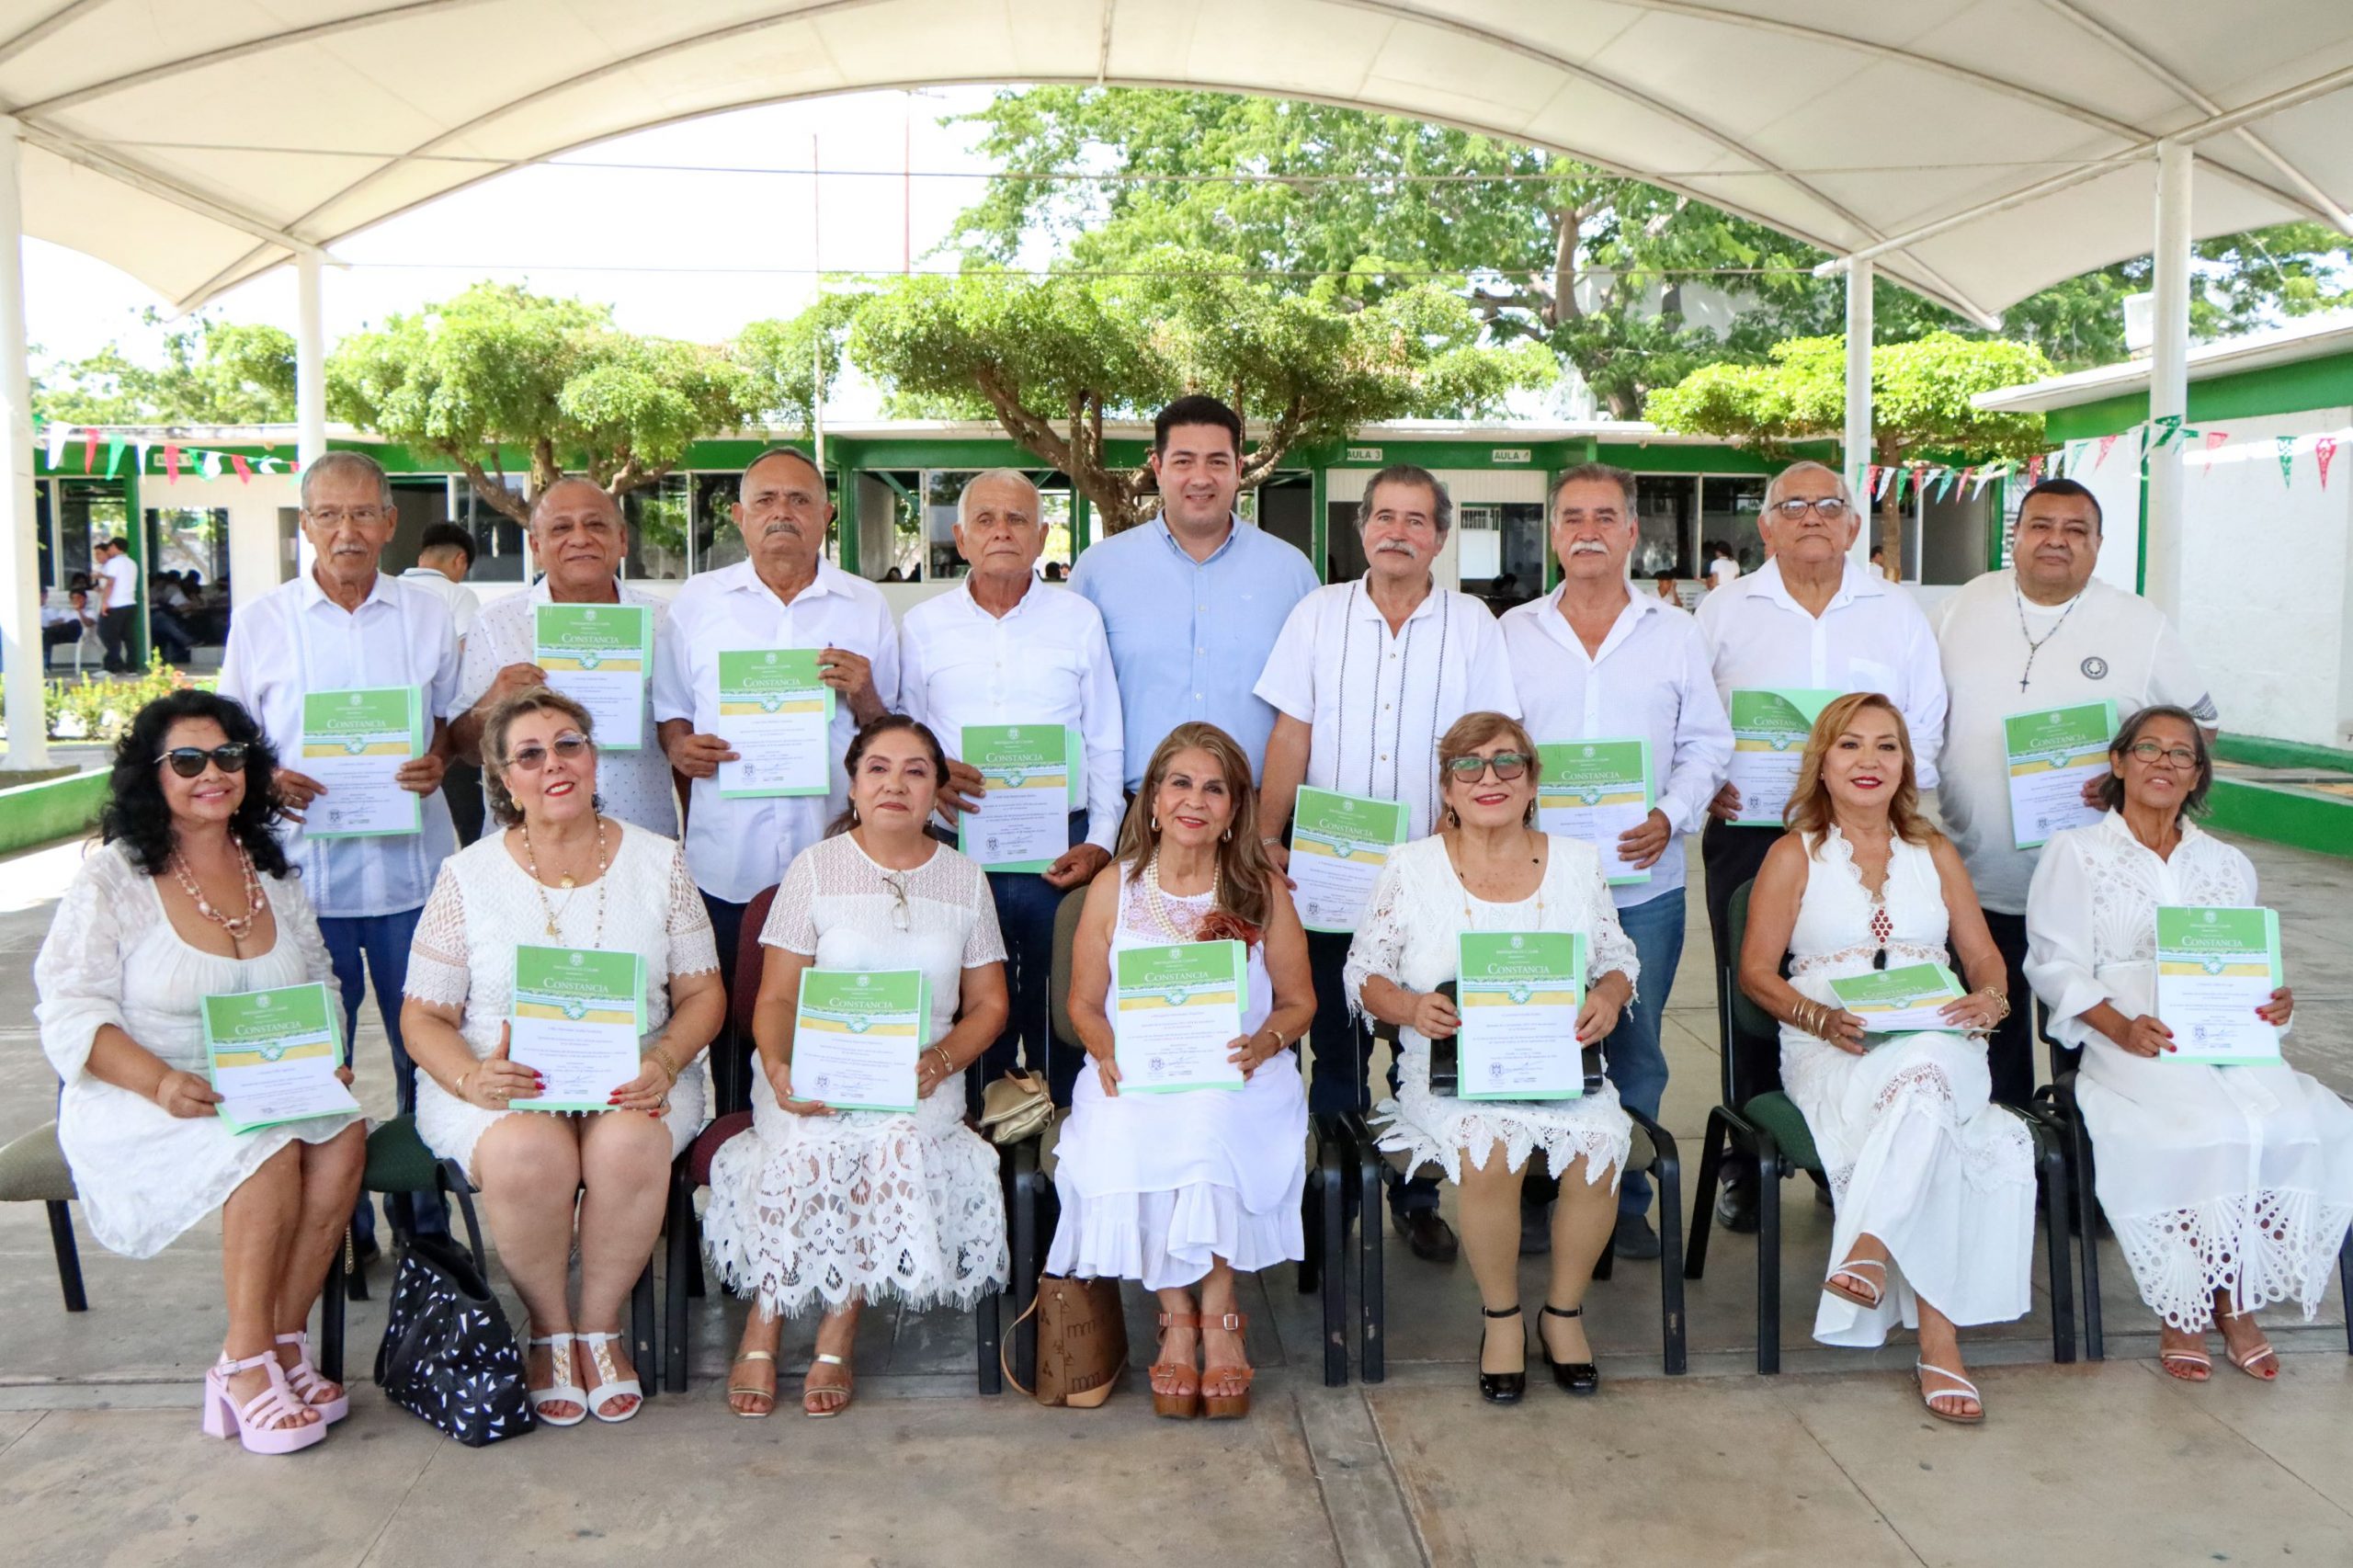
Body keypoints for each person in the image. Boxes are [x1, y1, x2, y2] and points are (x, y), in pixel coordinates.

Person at [33, 691, 365, 1454]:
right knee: (268, 1147)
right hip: (142, 1090)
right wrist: (157, 1081)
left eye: (229, 757)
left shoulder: (270, 871)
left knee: (344, 1137)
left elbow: (320, 980)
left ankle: (283, 1340)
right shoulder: (112, 879)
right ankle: (243, 1366)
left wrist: (326, 1054)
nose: (211, 774)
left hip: (262, 1079)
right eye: (187, 761)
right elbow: (71, 1008)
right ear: (152, 777)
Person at [401, 687, 722, 1425]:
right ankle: (550, 1327)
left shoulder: (659, 861)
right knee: (527, 1156)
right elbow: (424, 1015)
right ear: (503, 778)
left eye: (569, 744)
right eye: (531, 754)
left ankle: (601, 1327)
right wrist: (471, 1076)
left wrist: (668, 1060)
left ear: (594, 757)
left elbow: (704, 994)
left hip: (639, 1070)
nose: (555, 764)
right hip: (496, 1080)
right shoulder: (468, 876)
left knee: (631, 1146)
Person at [2025, 706, 2353, 1381]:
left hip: (2225, 1039)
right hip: (2131, 1040)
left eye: (2183, 754)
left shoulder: (2226, 862)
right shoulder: (2077, 852)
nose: (2165, 763)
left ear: (2198, 775)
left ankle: (2235, 1295)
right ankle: (2191, 1308)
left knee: (2301, 1120)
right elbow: (2052, 964)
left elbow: (2248, 965)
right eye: (2149, 748)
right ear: (2118, 763)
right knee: (2206, 1127)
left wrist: (2275, 999)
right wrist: (2118, 1024)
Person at [1737, 693, 2033, 1423]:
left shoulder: (1934, 853)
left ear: (1907, 764)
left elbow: (1986, 960)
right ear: (1824, 764)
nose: (1870, 761)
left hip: (1942, 1038)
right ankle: (1940, 1347)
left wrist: (1989, 1003)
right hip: (1835, 1046)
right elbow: (1756, 974)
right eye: (1851, 746)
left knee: (1930, 1071)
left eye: (1887, 746)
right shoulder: (1792, 854)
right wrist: (1818, 1016)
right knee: (1929, 1110)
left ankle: (1868, 1245)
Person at [705, 715, 1010, 1419]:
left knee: (887, 1144)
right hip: (816, 1064)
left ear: (939, 789)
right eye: (878, 768)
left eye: (915, 771)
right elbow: (777, 995)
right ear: (854, 782)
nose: (895, 784)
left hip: (918, 1074)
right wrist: (780, 1068)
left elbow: (989, 1006)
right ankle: (768, 1317)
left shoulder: (966, 880)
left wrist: (937, 1062)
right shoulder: (814, 868)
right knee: (811, 1137)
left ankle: (839, 1329)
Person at [1255, 464, 1519, 1263]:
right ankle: (1332, 1190)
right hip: (1328, 872)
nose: (1397, 531)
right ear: (1361, 529)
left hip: (1436, 872)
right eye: (1383, 517)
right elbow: (1291, 734)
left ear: (1440, 536)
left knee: (1425, 1036)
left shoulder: (1473, 623)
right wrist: (1268, 836)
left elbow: (1489, 740)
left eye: (1416, 519)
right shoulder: (1316, 615)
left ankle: (1416, 1192)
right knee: (1335, 1041)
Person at [1344, 712, 1637, 1401]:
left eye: (1508, 762)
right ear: (1446, 788)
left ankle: (1562, 1314)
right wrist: (1412, 1008)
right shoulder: (1410, 868)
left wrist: (1610, 995)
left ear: (1534, 779)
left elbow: (1617, 956)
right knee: (1491, 1151)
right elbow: (1363, 973)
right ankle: (1501, 1318)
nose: (1489, 778)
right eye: (1468, 765)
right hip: (1448, 1072)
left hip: (1559, 1063)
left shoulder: (1577, 863)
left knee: (1601, 1148)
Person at [217, 449, 463, 1251]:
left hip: (410, 883)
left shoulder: (431, 616)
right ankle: (337, 1225)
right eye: (328, 515)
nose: (347, 531)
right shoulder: (261, 622)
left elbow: (457, 726)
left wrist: (441, 759)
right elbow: (223, 741)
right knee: (317, 1063)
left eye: (364, 514)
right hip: (302, 885)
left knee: (423, 1055)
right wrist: (264, 778)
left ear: (391, 524)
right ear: (306, 526)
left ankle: (423, 1220)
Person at [1695, 460, 1948, 1231]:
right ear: (1766, 525)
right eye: (1792, 504)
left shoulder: (1895, 613)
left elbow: (1926, 723)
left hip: (1867, 835)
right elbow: (1691, 717)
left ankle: (1855, 1151)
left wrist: (1886, 793)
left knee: (1869, 974)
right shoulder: (1723, 612)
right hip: (1750, 833)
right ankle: (1751, 1156)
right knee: (1754, 991)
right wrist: (1702, 782)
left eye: (1828, 504)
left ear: (1851, 525)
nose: (1811, 515)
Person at [1049, 722, 1314, 1419]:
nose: (1195, 801)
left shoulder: (1262, 889)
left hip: (1239, 1073)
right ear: (1154, 800)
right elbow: (1083, 1000)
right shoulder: (1115, 886)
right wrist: (1104, 1048)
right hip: (1134, 1068)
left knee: (1206, 1127)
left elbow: (1299, 1001)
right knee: (1123, 1127)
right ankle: (1174, 1313)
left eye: (1214, 788)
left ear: (1234, 810)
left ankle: (1221, 1312)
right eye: (1180, 783)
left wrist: (1265, 1043)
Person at [1501, 464, 1732, 1260]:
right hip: (1531, 883)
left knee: (1634, 1043)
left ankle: (1626, 1199)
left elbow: (1708, 743)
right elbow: (1493, 746)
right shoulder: (1514, 632)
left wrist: (1672, 814)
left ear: (1633, 531)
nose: (1589, 529)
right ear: (1554, 532)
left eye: (1606, 515)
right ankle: (1539, 1190)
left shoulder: (1674, 634)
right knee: (1536, 1035)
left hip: (1645, 884)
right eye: (1572, 516)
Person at [1933, 478, 2218, 1108]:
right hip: (1979, 878)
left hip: (2094, 887)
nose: (2056, 541)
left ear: (2097, 544)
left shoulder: (2139, 623)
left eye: (2075, 530)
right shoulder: (1965, 605)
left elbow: (2200, 727)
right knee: (1988, 1043)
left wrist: (2128, 780)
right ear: (2016, 536)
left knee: (2089, 1050)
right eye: (2041, 525)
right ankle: (2006, 1165)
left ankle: (2079, 1181)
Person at [898, 469, 1122, 1103]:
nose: (1003, 531)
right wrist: (933, 773)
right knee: (970, 999)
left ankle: (1056, 1159)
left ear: (1043, 536)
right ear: (960, 537)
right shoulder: (923, 626)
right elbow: (907, 734)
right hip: (958, 848)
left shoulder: (1079, 620)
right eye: (987, 520)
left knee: (1059, 1007)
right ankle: (980, 1146)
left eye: (1018, 519)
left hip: (1061, 849)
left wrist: (1102, 840)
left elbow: (1106, 736)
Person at [654, 446, 896, 1010]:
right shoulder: (698, 601)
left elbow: (893, 734)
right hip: (728, 858)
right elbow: (670, 708)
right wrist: (679, 747)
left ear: (827, 514)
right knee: (728, 1016)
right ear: (740, 517)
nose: (782, 511)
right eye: (765, 499)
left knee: (835, 1012)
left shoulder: (865, 605)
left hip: (838, 851)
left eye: (799, 499)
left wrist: (863, 693)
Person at [1070, 395, 1317, 792]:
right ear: (1158, 467)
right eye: (1183, 461)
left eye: (1217, 462)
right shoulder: (1099, 571)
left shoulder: (1292, 573)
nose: (1200, 478)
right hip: (1131, 813)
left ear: (1238, 469)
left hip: (1255, 817)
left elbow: (1312, 706)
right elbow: (1070, 698)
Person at [454, 479, 677, 836]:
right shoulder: (496, 623)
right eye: (561, 527)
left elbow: (681, 730)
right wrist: (493, 701)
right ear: (536, 546)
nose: (580, 538)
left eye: (595, 524)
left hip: (639, 839)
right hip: (526, 845)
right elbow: (465, 751)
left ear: (622, 540)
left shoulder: (665, 621)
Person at [95, 537, 140, 672]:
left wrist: (104, 603)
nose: (108, 551)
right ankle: (132, 667)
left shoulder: (114, 563)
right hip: (130, 603)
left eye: (109, 548)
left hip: (115, 604)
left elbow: (111, 583)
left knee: (107, 634)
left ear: (115, 547)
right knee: (128, 637)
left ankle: (112, 666)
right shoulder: (132, 563)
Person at [42, 586, 95, 668]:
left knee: (74, 622)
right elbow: (57, 623)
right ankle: (45, 666)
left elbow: (89, 624)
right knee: (47, 635)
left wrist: (79, 611)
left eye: (79, 598)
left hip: (79, 634)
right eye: (73, 598)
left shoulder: (89, 612)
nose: (76, 600)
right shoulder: (65, 611)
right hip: (64, 635)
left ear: (85, 599)